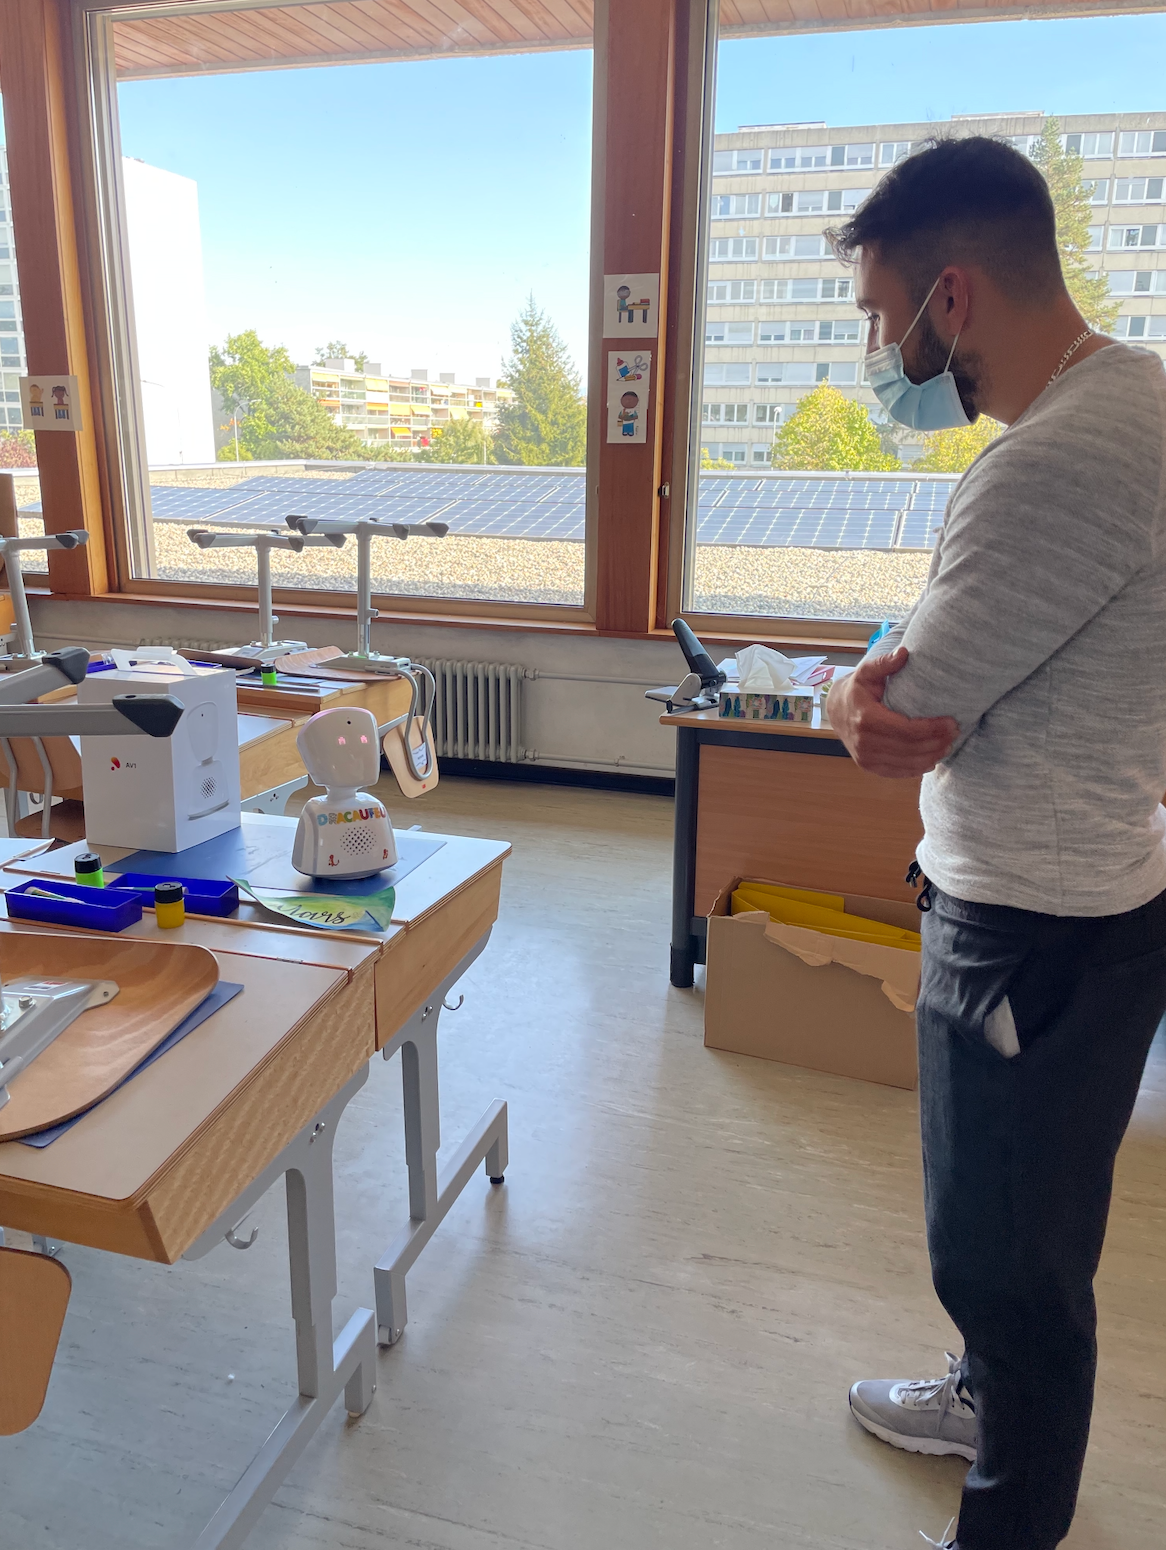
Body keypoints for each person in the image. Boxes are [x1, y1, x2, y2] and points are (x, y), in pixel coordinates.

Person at [823, 135, 1166, 1550]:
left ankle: (1004, 1523)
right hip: (1100, 884)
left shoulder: (1050, 464)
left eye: (873, 317)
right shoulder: (1140, 397)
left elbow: (909, 705)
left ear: (946, 299)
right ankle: (981, 1401)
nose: (875, 352)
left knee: (1004, 1257)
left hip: (1027, 915)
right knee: (1032, 1228)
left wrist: (844, 689)